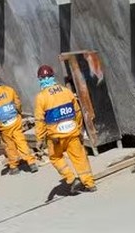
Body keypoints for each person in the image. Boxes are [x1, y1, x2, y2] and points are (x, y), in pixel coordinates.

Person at [33, 65, 96, 193]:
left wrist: (39, 139)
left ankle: (71, 179)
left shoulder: (41, 97)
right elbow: (77, 112)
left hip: (56, 137)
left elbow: (40, 120)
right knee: (80, 158)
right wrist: (78, 130)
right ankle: (89, 184)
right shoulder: (66, 91)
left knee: (55, 158)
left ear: (40, 79)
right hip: (72, 132)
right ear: (52, 76)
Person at [0, 67, 38, 175]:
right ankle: (31, 163)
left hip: (4, 126)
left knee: (9, 145)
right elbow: (17, 103)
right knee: (21, 141)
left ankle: (14, 166)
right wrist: (19, 113)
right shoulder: (9, 89)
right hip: (15, 121)